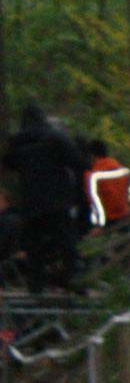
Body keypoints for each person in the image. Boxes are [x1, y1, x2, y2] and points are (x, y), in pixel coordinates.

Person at [1, 103, 88, 293]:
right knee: (67, 243)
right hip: (57, 201)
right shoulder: (55, 138)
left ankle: (36, 287)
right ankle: (76, 280)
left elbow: (9, 162)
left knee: (35, 248)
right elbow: (78, 162)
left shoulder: (17, 143)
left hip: (31, 204)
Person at [81, 139, 130, 231]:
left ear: (92, 155)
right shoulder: (119, 167)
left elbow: (91, 201)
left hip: (108, 220)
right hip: (125, 214)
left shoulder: (92, 175)